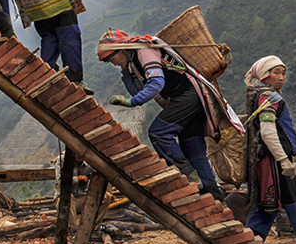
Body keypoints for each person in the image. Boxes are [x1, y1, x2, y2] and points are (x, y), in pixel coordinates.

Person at [96, 28, 226, 202]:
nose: (112, 62)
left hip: (188, 94)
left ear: (122, 48)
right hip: (187, 98)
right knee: (191, 145)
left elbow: (156, 83)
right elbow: (138, 89)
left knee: (159, 133)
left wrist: (132, 102)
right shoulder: (133, 62)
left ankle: (188, 178)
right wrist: (126, 72)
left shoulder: (144, 51)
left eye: (112, 58)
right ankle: (215, 196)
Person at [243, 56, 296, 244]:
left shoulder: (261, 95)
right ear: (264, 75)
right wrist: (283, 161)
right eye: (276, 73)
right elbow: (268, 132)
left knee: (268, 205)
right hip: (274, 161)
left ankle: (246, 243)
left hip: (268, 160)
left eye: (283, 73)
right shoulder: (268, 96)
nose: (282, 77)